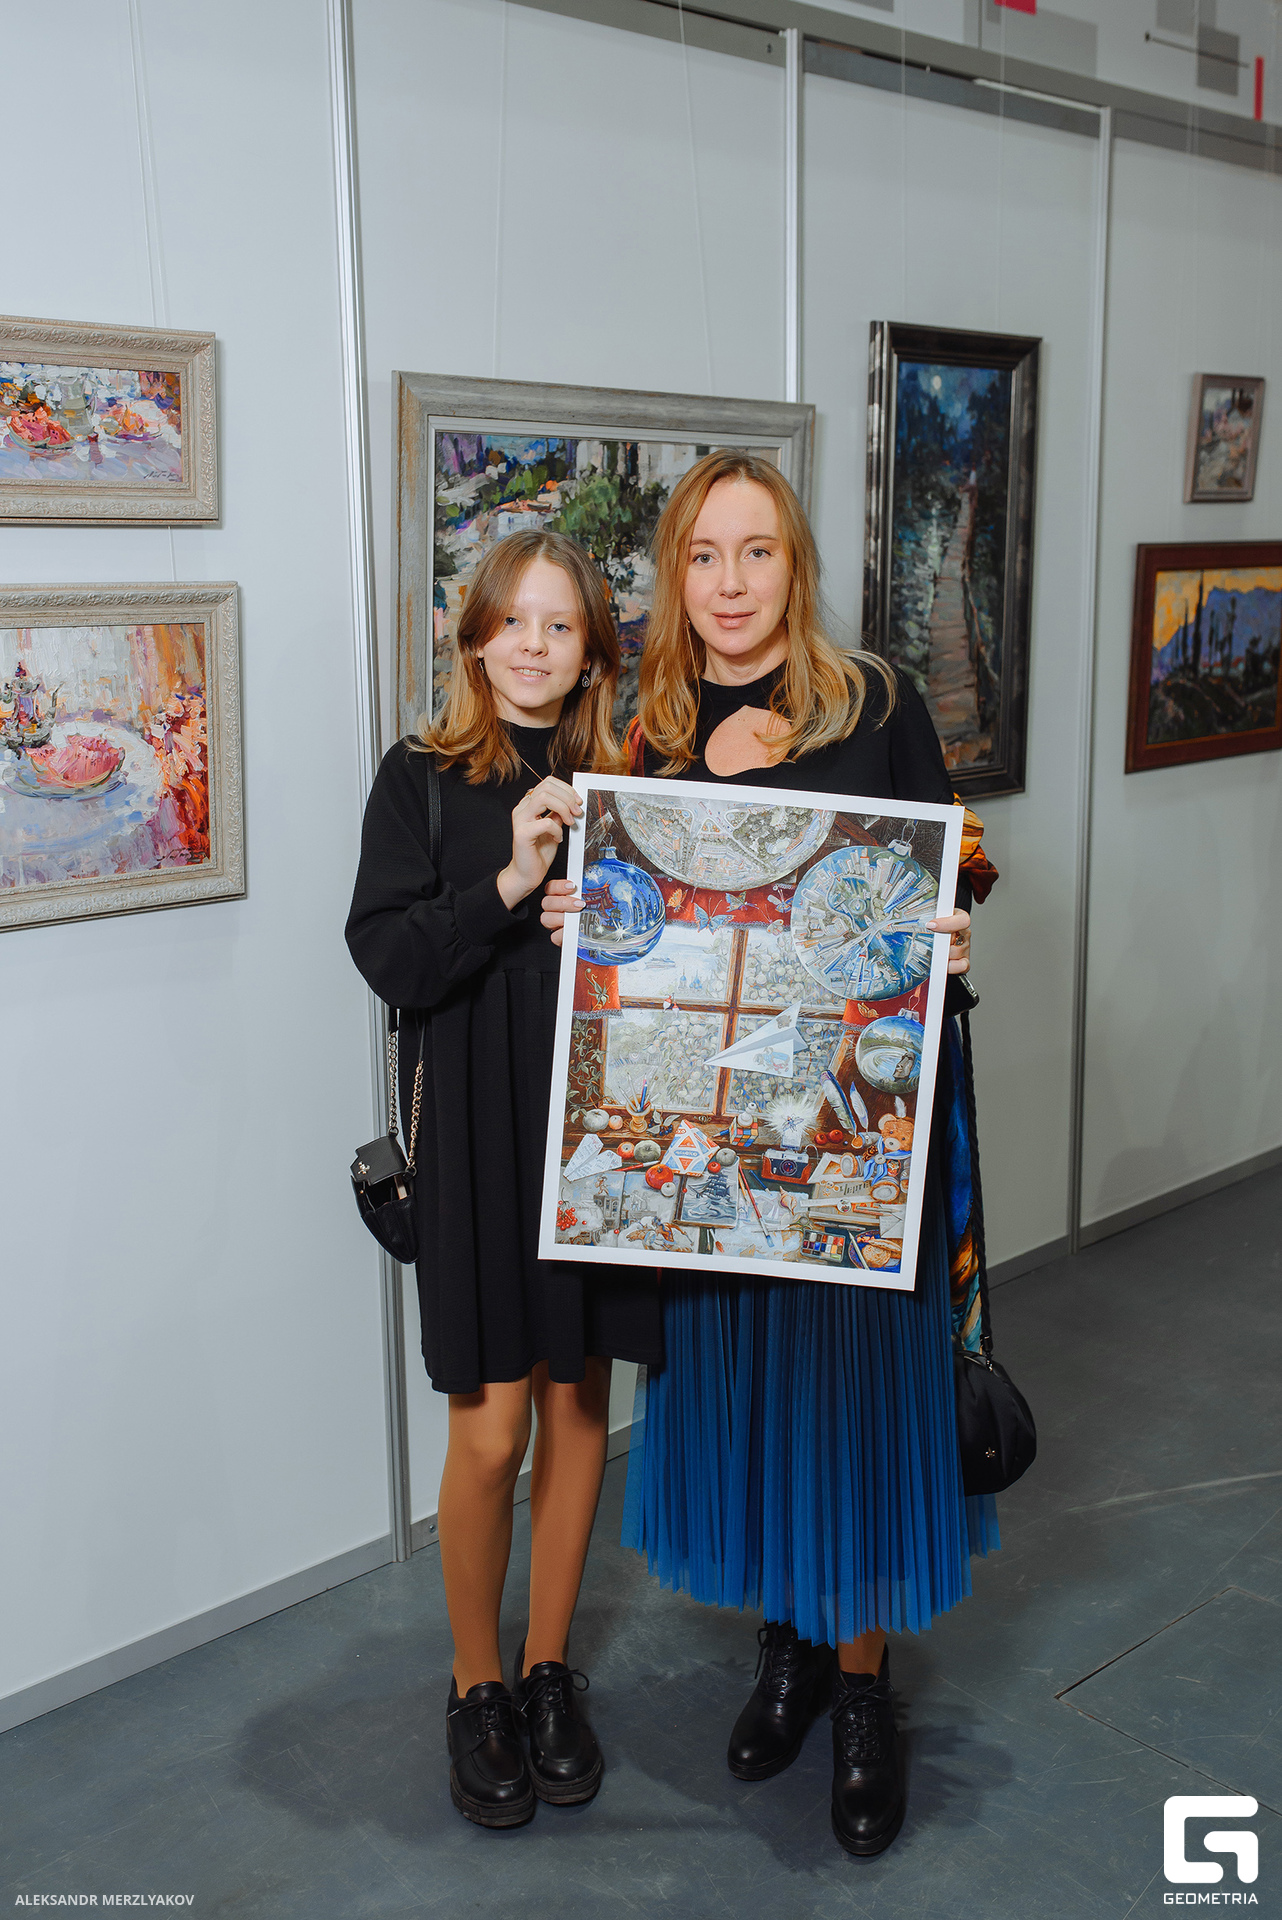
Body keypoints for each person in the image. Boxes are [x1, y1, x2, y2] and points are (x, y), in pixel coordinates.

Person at [541, 452, 999, 1859]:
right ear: (674, 574)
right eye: (703, 556)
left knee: (851, 1413)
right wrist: (580, 926)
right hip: (713, 1155)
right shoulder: (642, 727)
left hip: (854, 1140)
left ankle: (861, 1692)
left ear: (795, 566)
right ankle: (788, 1653)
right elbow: (629, 919)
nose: (729, 584)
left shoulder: (875, 702)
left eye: (756, 553)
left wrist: (951, 927)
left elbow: (959, 861)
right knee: (752, 1405)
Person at [346, 529, 662, 1831]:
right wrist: (510, 884)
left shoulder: (630, 780)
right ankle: (475, 1685)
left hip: (598, 1133)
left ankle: (545, 1670)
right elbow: (389, 959)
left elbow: (685, 956)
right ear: (473, 638)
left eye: (560, 624)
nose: (533, 646)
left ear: (592, 649)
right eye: (512, 621)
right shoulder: (419, 777)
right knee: (491, 1431)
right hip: (478, 1136)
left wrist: (616, 925)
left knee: (578, 1408)